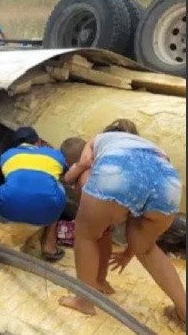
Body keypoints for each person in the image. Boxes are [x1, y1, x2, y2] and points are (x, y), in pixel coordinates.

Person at [58, 119, 185, 324]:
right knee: (148, 249)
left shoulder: (99, 139)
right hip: (167, 184)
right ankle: (184, 310)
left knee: (86, 235)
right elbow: (143, 187)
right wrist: (129, 252)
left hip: (117, 173)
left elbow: (85, 164)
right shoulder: (153, 148)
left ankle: (85, 301)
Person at [0, 127, 69, 270]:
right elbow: (66, 174)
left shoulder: (8, 155)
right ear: (38, 141)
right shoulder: (54, 154)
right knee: (54, 189)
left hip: (9, 205)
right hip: (48, 210)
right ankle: (49, 246)